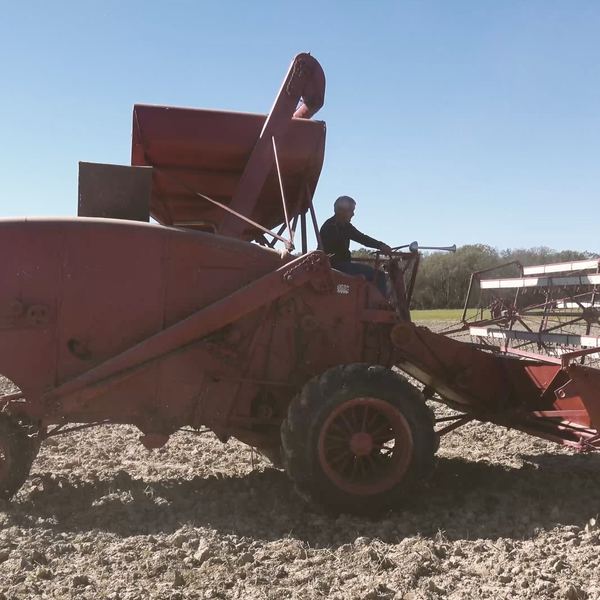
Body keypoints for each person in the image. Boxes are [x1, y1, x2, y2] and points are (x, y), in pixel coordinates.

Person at [319, 196, 393, 297]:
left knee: (371, 275)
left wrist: (380, 245)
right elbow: (361, 238)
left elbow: (362, 238)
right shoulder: (331, 227)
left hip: (338, 264)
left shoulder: (343, 226)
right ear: (340, 210)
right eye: (351, 211)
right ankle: (382, 307)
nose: (353, 214)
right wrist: (380, 245)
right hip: (336, 266)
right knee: (379, 276)